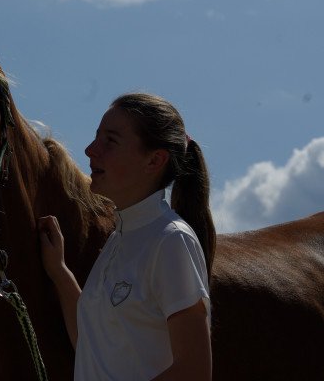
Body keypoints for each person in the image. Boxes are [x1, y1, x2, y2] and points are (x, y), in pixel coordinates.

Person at [38, 93, 215, 381]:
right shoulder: (119, 240)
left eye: (110, 140)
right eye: (97, 137)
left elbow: (194, 371)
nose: (90, 149)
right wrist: (59, 272)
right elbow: (91, 342)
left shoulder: (171, 240)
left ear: (154, 160)